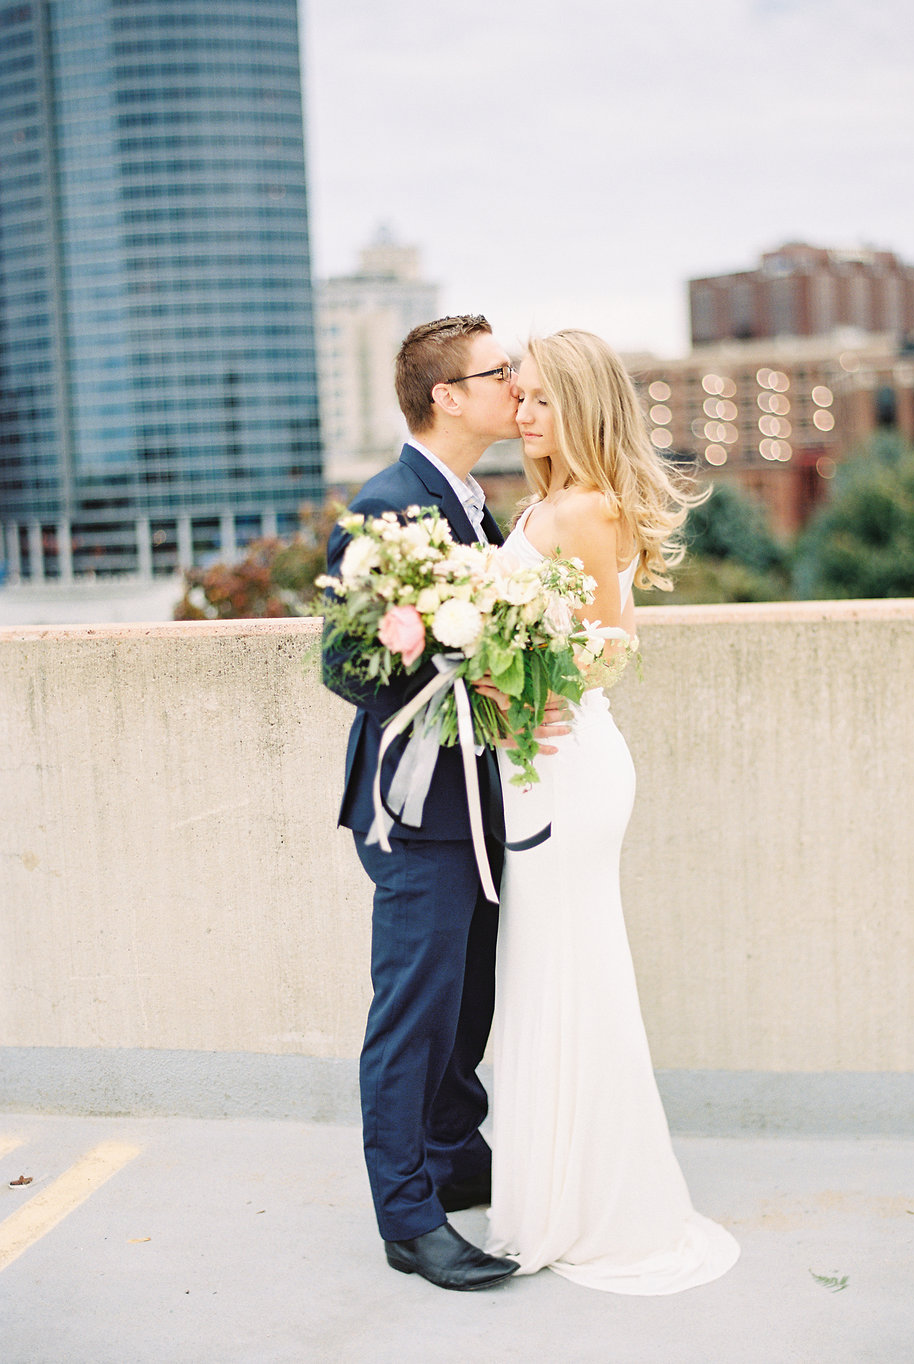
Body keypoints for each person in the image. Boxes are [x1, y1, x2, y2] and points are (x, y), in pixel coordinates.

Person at [485, 330, 741, 1293]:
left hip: (569, 765)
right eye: (520, 397)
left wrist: (523, 688)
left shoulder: (586, 508)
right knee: (547, 975)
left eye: (544, 398)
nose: (525, 413)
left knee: (573, 975)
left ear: (585, 405)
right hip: (534, 767)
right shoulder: (550, 502)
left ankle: (596, 1203)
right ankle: (555, 1187)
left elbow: (613, 646)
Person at [322, 315, 556, 1292]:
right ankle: (408, 1215)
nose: (516, 385)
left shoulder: (470, 501)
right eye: (499, 372)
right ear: (447, 396)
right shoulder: (383, 510)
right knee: (414, 1012)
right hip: (417, 811)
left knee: (470, 1001)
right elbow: (344, 662)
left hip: (480, 803)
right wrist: (457, 665)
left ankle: (457, 1154)